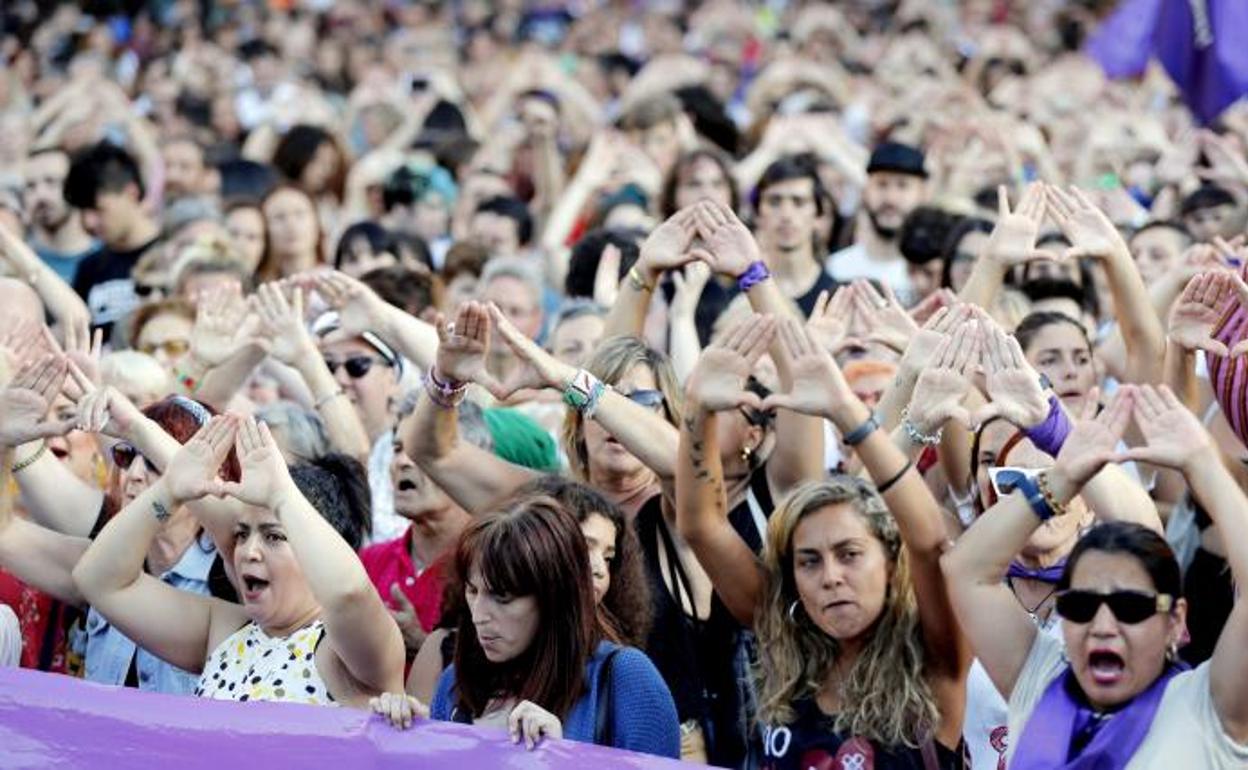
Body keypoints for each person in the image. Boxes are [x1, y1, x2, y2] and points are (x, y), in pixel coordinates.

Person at [676, 313, 970, 768]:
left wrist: (846, 411)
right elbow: (700, 526)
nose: (830, 577)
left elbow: (928, 542)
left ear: (890, 561)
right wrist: (697, 410)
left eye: (849, 555)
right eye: (808, 561)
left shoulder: (934, 658)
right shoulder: (783, 642)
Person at [943, 385, 1248, 767]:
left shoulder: (1210, 706)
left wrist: (1203, 465)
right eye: (1081, 605)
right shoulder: (1039, 678)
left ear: (1175, 621)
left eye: (1130, 607)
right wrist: (1061, 478)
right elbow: (965, 569)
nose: (1103, 625)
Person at [73, 414, 405, 707]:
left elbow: (348, 592)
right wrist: (169, 492)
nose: (248, 551)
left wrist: (283, 496)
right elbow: (98, 580)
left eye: (274, 536)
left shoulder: (344, 650)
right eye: (244, 534)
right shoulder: (225, 629)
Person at [372, 494, 679, 757]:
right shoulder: (454, 684)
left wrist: (564, 760)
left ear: (554, 597)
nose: (479, 614)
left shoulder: (626, 678)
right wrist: (406, 740)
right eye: (472, 590)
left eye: (502, 597)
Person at [64, 142, 161, 340]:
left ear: (131, 193)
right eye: (82, 211)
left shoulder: (171, 253)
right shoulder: (89, 267)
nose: (88, 222)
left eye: (98, 209)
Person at [827, 141, 929, 300]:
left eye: (903, 186)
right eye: (881, 185)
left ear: (922, 193)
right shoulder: (835, 269)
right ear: (865, 190)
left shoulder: (933, 274)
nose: (890, 198)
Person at [22, 147, 97, 284]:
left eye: (51, 182)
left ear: (75, 186)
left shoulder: (106, 258)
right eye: (30, 186)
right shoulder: (19, 265)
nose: (41, 195)